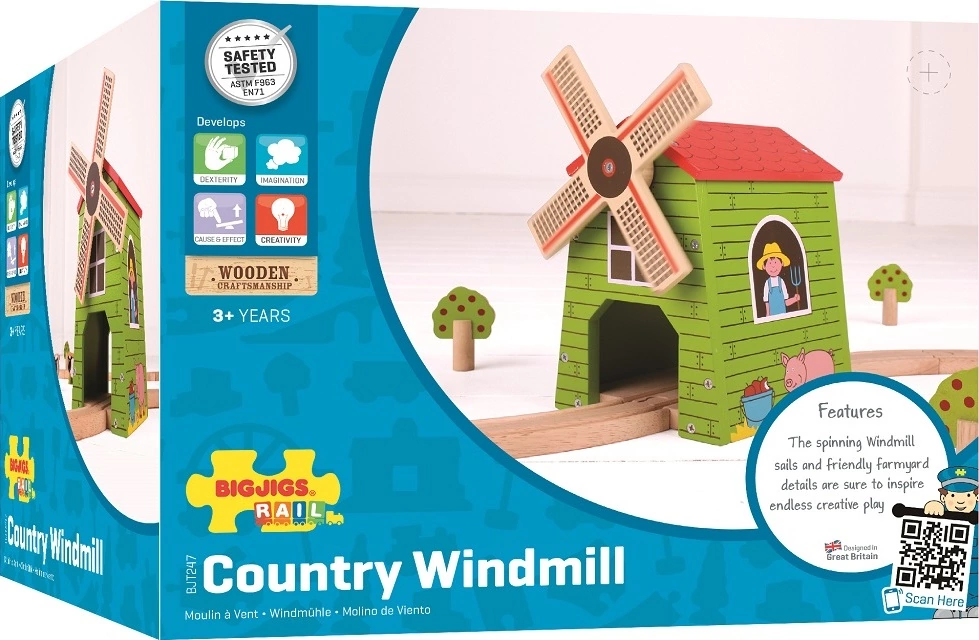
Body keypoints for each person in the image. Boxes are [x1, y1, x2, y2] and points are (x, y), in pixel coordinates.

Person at [923, 465, 978, 619]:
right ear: (943, 498)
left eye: (968, 495)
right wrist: (930, 511)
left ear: (977, 497)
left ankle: (972, 606)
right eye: (953, 495)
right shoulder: (940, 515)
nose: (960, 501)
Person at [756, 242, 800, 317]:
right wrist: (767, 314)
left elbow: (786, 302)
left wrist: (794, 299)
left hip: (783, 314)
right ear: (764, 266)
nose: (773, 266)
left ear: (781, 263)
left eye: (775, 262)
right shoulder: (767, 283)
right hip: (772, 316)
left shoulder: (781, 282)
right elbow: (766, 302)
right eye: (770, 263)